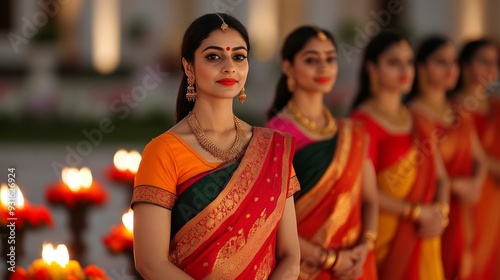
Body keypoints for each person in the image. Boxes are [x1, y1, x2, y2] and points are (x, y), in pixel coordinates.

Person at [130, 13, 301, 280]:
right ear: (189, 67)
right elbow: (150, 262)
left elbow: (290, 256)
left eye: (239, 56)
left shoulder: (272, 148)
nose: (229, 67)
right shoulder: (163, 151)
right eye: (213, 56)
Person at [266, 26, 378, 280]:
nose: (323, 68)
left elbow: (369, 198)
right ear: (288, 67)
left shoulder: (351, 132)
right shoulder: (275, 136)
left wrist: (365, 246)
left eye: (330, 59)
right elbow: (272, 223)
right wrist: (331, 260)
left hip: (357, 264)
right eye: (311, 60)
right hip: (306, 268)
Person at [350, 32, 450, 280]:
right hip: (386, 234)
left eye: (408, 62)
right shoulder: (361, 123)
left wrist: (441, 213)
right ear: (372, 68)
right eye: (394, 62)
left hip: (426, 232)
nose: (405, 69)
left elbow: (442, 178)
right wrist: (418, 213)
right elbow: (366, 193)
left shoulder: (417, 119)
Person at [406, 36, 488, 280]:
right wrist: (456, 186)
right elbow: (428, 170)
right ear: (421, 68)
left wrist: (476, 183)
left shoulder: (459, 109)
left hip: (466, 208)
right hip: (434, 209)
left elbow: (480, 158)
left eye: (453, 62)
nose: (451, 69)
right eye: (441, 62)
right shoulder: (413, 113)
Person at [452, 39, 498, 280]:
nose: (491, 69)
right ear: (467, 65)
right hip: (465, 195)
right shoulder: (453, 108)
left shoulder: (497, 108)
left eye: (495, 63)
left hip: (494, 199)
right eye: (484, 62)